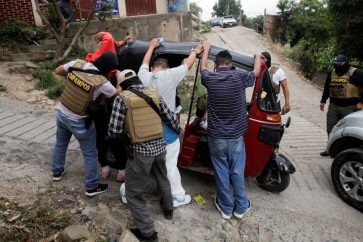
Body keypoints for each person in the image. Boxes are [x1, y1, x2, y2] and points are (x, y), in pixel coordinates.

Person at [108, 69, 180, 241]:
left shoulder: (122, 98)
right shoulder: (153, 93)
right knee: (162, 176)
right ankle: (168, 209)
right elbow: (170, 117)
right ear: (137, 80)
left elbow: (114, 130)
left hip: (140, 152)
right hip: (160, 146)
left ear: (123, 84)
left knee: (133, 193)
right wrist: (178, 131)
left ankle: (148, 233)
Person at [138, 38, 203, 207]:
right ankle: (177, 196)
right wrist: (195, 51)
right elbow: (188, 64)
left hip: (145, 133)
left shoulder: (144, 76)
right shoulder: (170, 75)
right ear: (166, 68)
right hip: (166, 136)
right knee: (170, 165)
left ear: (153, 68)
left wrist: (151, 46)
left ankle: (127, 190)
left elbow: (144, 62)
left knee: (141, 165)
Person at [200, 42, 261, 219]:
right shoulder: (240, 77)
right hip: (235, 137)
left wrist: (206, 48)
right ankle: (241, 206)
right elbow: (256, 73)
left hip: (216, 137)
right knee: (236, 170)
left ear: (216, 65)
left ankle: (226, 208)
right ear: (231, 64)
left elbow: (202, 67)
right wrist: (257, 56)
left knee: (221, 171)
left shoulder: (210, 78)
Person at [52, 52, 121, 197]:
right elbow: (116, 93)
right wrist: (120, 78)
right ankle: (92, 186)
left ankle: (57, 172)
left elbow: (58, 71)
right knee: (90, 154)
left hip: (61, 113)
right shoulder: (103, 83)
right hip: (79, 121)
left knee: (60, 144)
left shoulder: (76, 64)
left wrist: (75, 79)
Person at [85, 31, 131, 181]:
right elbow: (117, 92)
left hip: (93, 108)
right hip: (106, 103)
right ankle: (121, 171)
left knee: (99, 136)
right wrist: (119, 79)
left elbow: (112, 44)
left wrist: (122, 42)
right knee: (116, 135)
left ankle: (104, 168)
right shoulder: (103, 80)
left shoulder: (92, 63)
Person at [320, 54, 363, 156]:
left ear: (346, 63)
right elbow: (327, 88)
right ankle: (330, 149)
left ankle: (347, 152)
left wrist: (361, 102)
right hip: (334, 105)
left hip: (350, 107)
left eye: (340, 64)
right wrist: (323, 101)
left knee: (348, 130)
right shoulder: (332, 74)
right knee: (331, 128)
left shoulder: (356, 73)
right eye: (336, 64)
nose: (338, 66)